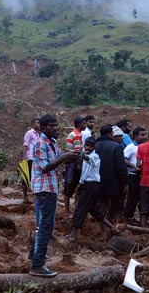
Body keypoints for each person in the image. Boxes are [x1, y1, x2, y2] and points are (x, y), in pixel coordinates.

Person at [29, 114, 78, 277]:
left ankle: (33, 256)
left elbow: (57, 160)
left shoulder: (52, 143)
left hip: (49, 188)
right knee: (46, 226)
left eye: (56, 125)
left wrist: (71, 157)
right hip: (44, 188)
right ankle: (37, 265)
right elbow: (45, 167)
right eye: (51, 126)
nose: (56, 128)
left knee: (44, 224)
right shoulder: (40, 144)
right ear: (42, 128)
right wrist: (64, 157)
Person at [65, 138, 120, 242]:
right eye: (87, 145)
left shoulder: (95, 157)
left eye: (90, 146)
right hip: (87, 184)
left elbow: (87, 158)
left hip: (92, 185)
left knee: (81, 208)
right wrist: (80, 184)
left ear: (94, 147)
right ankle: (112, 228)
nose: (88, 148)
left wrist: (80, 154)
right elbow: (84, 171)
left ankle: (73, 234)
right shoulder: (87, 157)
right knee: (93, 210)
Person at [95, 125, 128, 224]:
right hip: (114, 182)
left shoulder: (94, 145)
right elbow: (120, 167)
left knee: (101, 206)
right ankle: (116, 226)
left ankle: (102, 228)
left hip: (97, 181)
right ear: (110, 133)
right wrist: (124, 182)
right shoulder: (116, 146)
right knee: (117, 205)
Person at [123, 127, 147, 224]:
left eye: (145, 135)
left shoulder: (144, 146)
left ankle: (143, 220)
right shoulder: (130, 147)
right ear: (135, 136)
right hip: (133, 175)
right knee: (133, 197)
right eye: (142, 135)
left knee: (143, 198)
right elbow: (124, 159)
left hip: (143, 175)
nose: (144, 137)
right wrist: (134, 167)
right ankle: (127, 218)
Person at [63, 117, 86, 216]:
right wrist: (81, 166)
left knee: (70, 186)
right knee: (70, 186)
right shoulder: (76, 135)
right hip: (74, 164)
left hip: (71, 163)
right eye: (84, 124)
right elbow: (78, 153)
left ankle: (70, 209)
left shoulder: (76, 134)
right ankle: (67, 211)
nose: (85, 126)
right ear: (80, 124)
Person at [22, 118, 40, 203]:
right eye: (38, 123)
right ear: (33, 124)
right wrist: (24, 158)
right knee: (27, 176)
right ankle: (25, 196)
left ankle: (34, 196)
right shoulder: (29, 133)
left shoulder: (38, 134)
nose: (39, 124)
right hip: (30, 157)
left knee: (34, 177)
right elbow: (25, 145)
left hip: (36, 158)